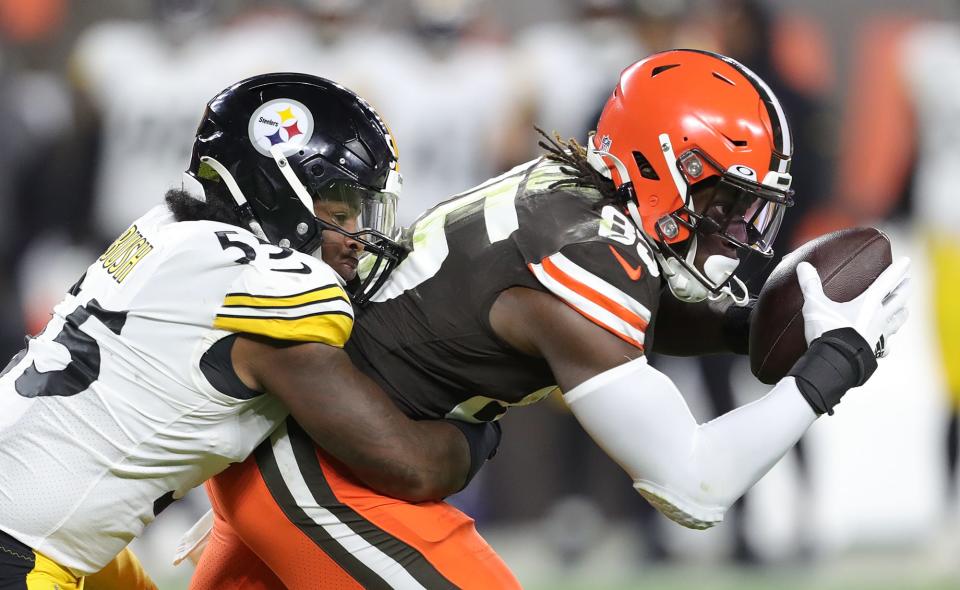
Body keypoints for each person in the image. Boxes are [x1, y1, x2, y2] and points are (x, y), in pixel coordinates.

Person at [186, 49, 912, 589]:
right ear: (665, 166)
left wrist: (741, 325)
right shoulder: (587, 252)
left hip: (300, 452)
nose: (734, 232)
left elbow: (645, 315)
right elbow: (693, 487)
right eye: (724, 202)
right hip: (331, 473)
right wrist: (836, 360)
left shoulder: (576, 196)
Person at [0, 73, 502, 589]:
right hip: (24, 546)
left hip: (34, 522)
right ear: (282, 195)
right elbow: (406, 465)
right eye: (341, 212)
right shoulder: (271, 283)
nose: (357, 238)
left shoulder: (165, 230)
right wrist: (481, 422)